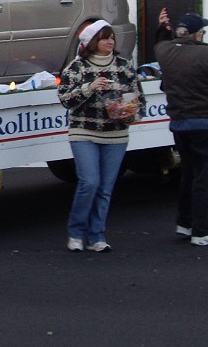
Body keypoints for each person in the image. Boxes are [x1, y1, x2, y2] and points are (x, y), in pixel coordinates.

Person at [58, 19, 146, 252]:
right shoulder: (77, 68)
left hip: (116, 134)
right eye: (105, 37)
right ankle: (76, 232)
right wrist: (90, 87)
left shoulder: (125, 66)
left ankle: (96, 235)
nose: (110, 41)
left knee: (105, 187)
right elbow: (66, 100)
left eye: (112, 38)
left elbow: (139, 99)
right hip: (84, 131)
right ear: (92, 42)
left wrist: (129, 112)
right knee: (90, 182)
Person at [154, 8, 208, 246]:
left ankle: (185, 222)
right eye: (202, 31)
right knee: (204, 177)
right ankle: (202, 231)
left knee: (189, 173)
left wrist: (162, 29)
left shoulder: (165, 52)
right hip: (203, 121)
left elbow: (159, 43)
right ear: (196, 34)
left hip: (179, 123)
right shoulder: (207, 55)